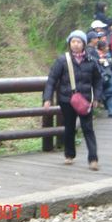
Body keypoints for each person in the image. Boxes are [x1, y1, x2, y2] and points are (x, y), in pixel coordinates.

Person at [43, 30, 102, 171]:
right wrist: (47, 98)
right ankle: (69, 155)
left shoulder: (91, 61)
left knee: (88, 128)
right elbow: (51, 80)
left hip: (85, 100)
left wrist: (97, 98)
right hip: (66, 100)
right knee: (69, 127)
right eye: (73, 41)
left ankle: (93, 159)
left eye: (79, 42)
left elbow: (98, 81)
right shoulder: (62, 60)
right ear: (69, 43)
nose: (75, 44)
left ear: (84, 44)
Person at [95, 40, 112, 118]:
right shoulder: (97, 54)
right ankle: (102, 96)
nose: (108, 48)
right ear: (102, 47)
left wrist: (106, 60)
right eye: (106, 46)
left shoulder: (107, 54)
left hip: (108, 74)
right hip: (104, 75)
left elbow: (110, 62)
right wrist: (101, 60)